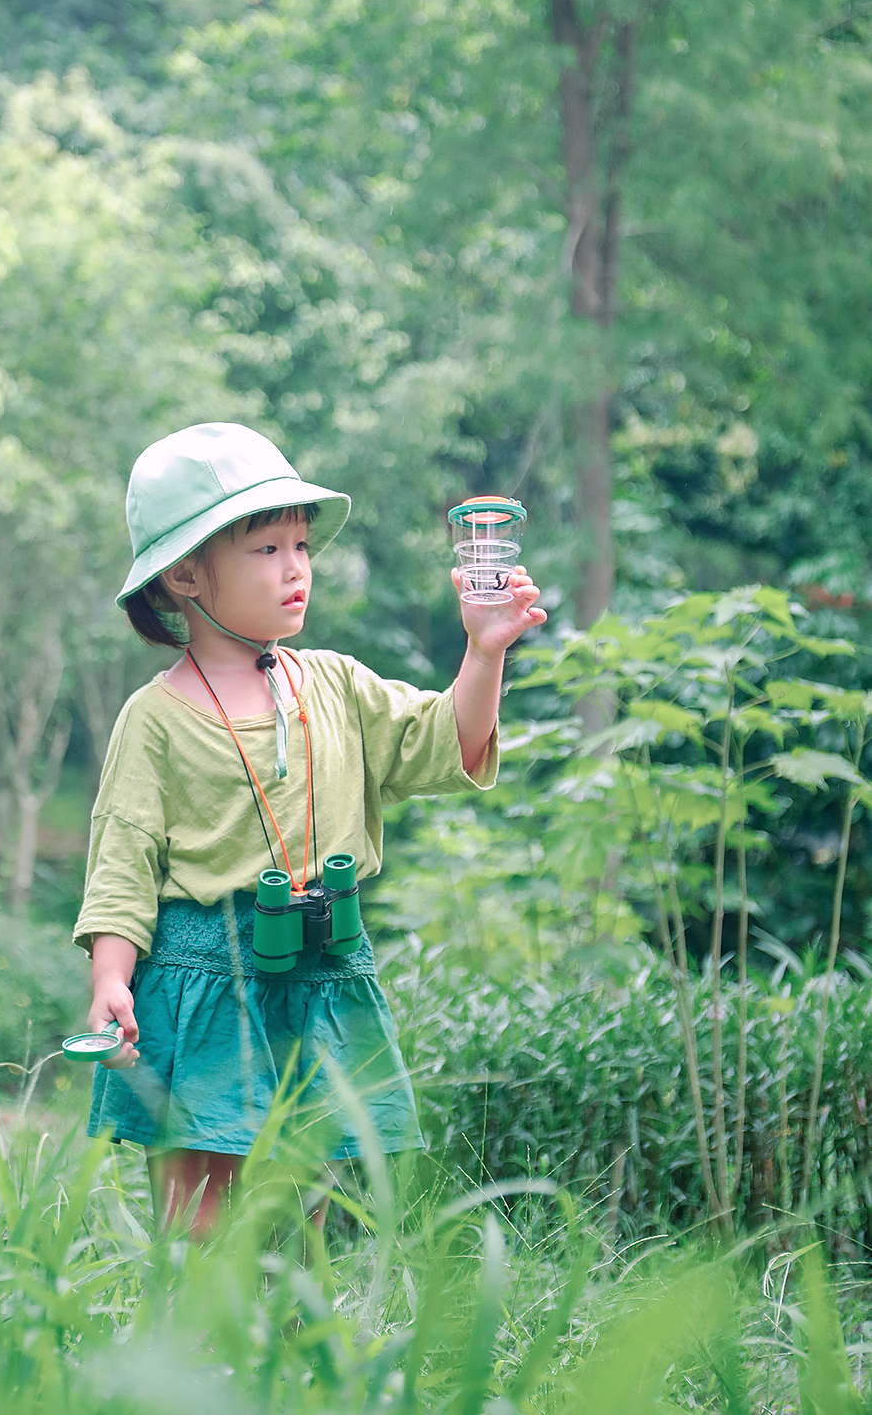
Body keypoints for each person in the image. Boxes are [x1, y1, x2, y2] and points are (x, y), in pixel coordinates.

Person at [73, 422, 545, 1235]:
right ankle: (199, 1349)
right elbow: (123, 861)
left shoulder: (335, 685)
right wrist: (111, 980)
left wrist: (485, 652)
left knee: (306, 1206)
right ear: (186, 573)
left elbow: (447, 743)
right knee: (202, 1209)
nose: (296, 568)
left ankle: (289, 1351)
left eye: (302, 546)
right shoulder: (154, 719)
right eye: (265, 550)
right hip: (203, 980)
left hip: (321, 970)